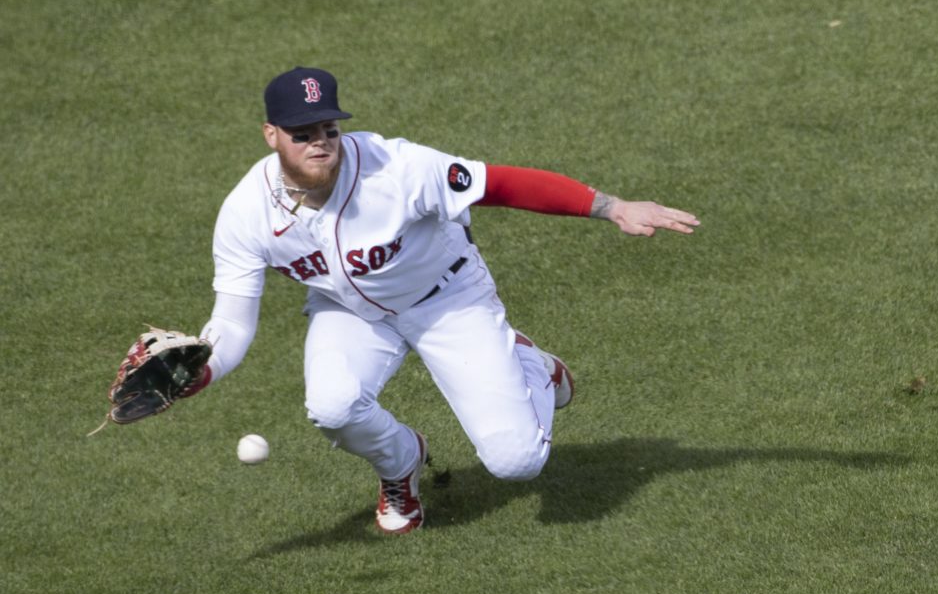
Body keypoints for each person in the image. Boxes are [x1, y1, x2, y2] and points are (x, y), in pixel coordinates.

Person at [189, 67, 700, 534]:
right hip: (350, 312)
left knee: (517, 462)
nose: (320, 143)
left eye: (329, 130)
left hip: (448, 300)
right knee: (333, 407)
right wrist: (200, 370)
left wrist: (612, 208)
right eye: (303, 134)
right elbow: (231, 323)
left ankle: (534, 368)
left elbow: (501, 184)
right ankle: (401, 464)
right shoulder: (245, 212)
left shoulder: (397, 166)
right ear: (271, 134)